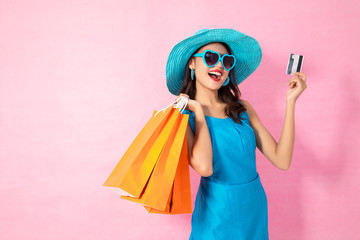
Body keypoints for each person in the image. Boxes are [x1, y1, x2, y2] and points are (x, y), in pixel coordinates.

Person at [165, 28, 307, 239]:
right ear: (192, 63)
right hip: (217, 213)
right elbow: (204, 168)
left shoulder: (242, 108)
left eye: (227, 61)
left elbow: (282, 160)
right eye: (210, 57)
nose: (220, 66)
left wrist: (290, 101)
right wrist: (198, 112)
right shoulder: (183, 116)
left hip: (254, 207)